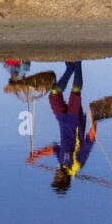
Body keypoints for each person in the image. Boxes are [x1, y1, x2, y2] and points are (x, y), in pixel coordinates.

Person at [27, 61, 95, 194]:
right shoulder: (75, 165)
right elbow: (88, 144)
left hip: (63, 120)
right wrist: (94, 125)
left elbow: (54, 149)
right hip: (75, 122)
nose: (55, 175)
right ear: (65, 179)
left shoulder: (61, 164)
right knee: (75, 92)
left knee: (53, 95)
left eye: (54, 177)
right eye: (57, 178)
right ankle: (78, 63)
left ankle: (70, 68)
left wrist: (36, 155)